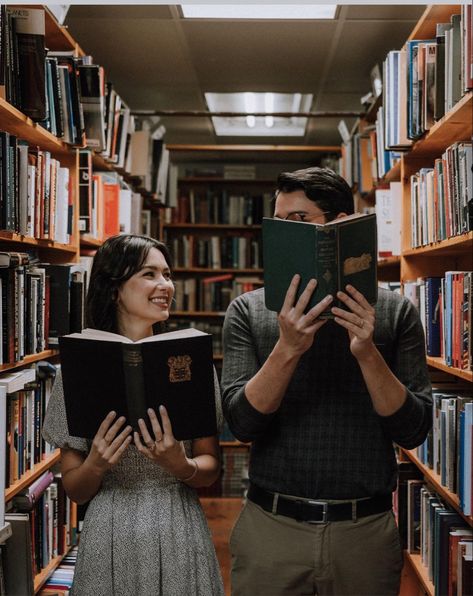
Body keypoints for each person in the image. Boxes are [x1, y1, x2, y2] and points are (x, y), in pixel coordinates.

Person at [221, 167, 432, 596]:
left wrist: (367, 352)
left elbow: (413, 430)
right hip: (272, 527)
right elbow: (241, 425)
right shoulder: (249, 311)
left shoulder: (394, 312)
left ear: (339, 226)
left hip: (364, 531)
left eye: (298, 221)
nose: (285, 232)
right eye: (279, 223)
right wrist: (288, 348)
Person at [43, 234, 224, 596]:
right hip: (110, 528)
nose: (165, 286)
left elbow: (211, 468)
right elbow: (75, 490)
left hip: (178, 523)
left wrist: (180, 465)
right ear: (114, 289)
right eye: (149, 274)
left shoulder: (192, 362)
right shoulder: (77, 370)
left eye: (168, 274)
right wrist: (95, 464)